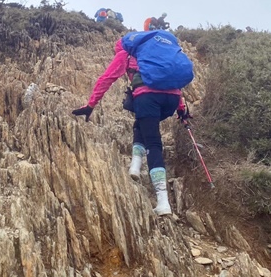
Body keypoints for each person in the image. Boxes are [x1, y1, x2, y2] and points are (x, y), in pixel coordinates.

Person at [72, 36, 189, 216]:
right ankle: (135, 166)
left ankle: (163, 201)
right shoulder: (157, 56)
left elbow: (106, 79)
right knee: (142, 124)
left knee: (154, 144)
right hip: (171, 100)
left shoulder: (125, 53)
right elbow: (171, 83)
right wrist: (181, 110)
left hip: (147, 97)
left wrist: (91, 105)